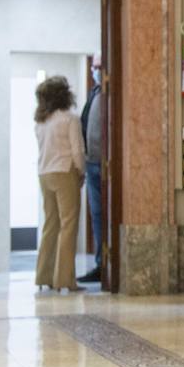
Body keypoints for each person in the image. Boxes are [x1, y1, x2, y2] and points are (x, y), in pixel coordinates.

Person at [34, 76, 86, 293]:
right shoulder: (70, 119)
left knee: (50, 225)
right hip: (65, 171)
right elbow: (77, 150)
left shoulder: (41, 121)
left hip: (44, 173)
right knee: (68, 226)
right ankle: (65, 279)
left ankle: (44, 276)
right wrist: (81, 171)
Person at [78, 60, 104, 284]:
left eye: (97, 66)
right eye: (94, 67)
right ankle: (100, 263)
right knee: (96, 215)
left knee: (105, 214)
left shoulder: (111, 92)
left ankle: (107, 264)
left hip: (105, 164)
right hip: (92, 162)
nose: (94, 70)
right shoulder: (94, 93)